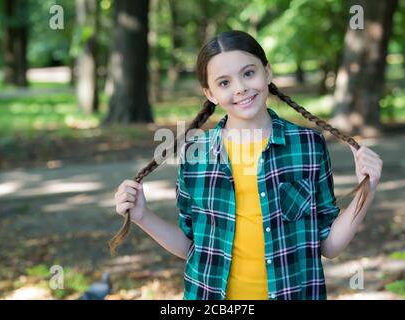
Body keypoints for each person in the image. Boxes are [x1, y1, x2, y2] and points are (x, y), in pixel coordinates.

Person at [112, 30, 383, 300]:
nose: (240, 88)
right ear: (210, 93)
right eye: (224, 82)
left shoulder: (307, 145)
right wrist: (142, 216)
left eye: (248, 73)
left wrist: (367, 188)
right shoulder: (197, 156)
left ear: (267, 72)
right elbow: (192, 246)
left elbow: (330, 246)